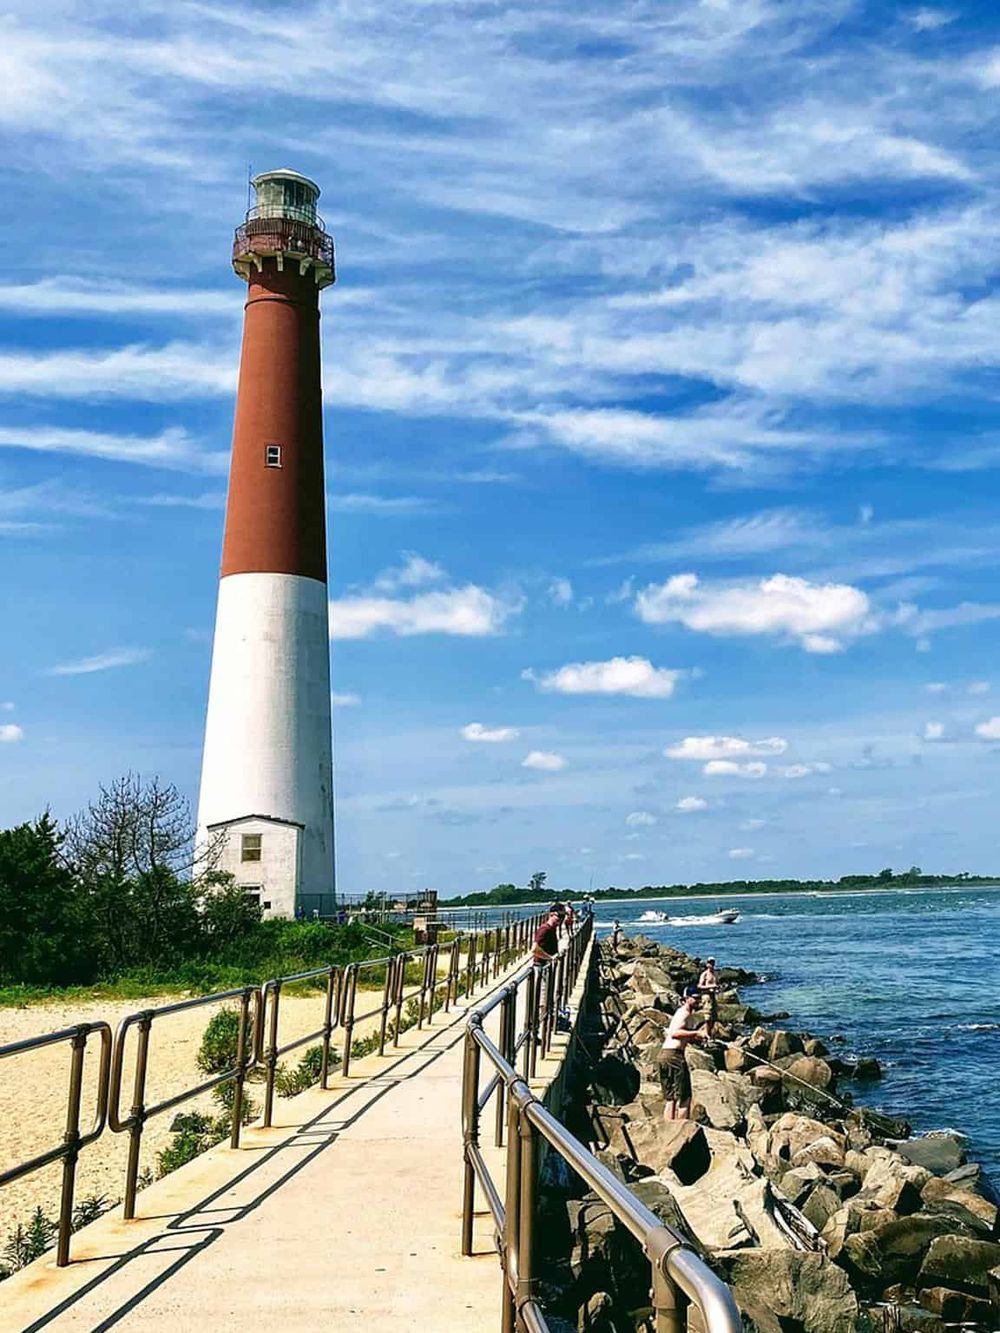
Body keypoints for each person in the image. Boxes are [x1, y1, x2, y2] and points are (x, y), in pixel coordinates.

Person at [657, 985, 707, 1120]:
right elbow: (675, 1033)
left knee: (671, 1097)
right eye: (695, 998)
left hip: (664, 1054)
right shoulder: (684, 1013)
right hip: (674, 1056)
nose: (698, 1001)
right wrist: (697, 1032)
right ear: (687, 998)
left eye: (699, 998)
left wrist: (695, 1038)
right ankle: (682, 1128)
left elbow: (679, 1034)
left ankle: (668, 1127)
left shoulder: (680, 1012)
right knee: (685, 1097)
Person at [697, 957, 720, 1034]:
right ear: (707, 964)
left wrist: (717, 988)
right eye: (710, 963)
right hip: (706, 995)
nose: (711, 964)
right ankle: (706, 1034)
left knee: (714, 1017)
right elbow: (699, 986)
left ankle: (709, 1033)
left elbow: (717, 984)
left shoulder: (715, 974)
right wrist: (711, 986)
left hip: (713, 995)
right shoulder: (704, 974)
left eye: (712, 963)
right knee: (707, 1017)